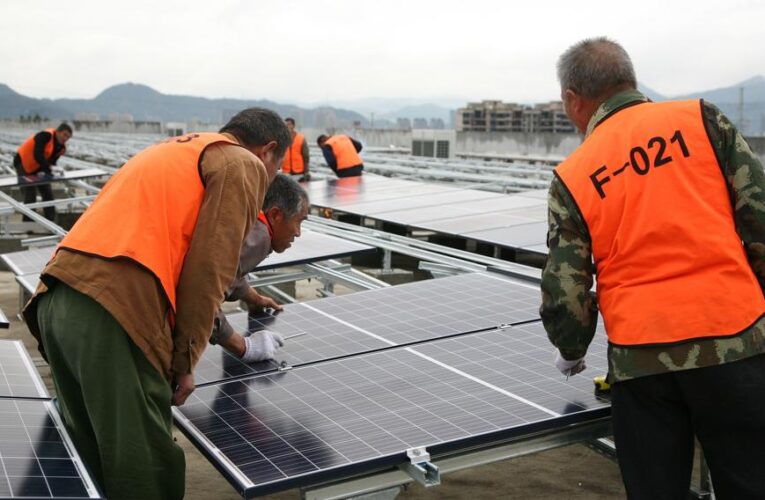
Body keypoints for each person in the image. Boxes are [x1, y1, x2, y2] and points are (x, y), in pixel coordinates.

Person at [22, 108, 291, 500]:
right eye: (276, 167)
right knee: (143, 469)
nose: (269, 181)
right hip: (115, 311)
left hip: (57, 297)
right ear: (267, 151)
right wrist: (185, 361)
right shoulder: (243, 163)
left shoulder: (177, 150)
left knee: (90, 461)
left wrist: (247, 295)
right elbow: (208, 270)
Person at [541, 37, 765, 499]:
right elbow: (759, 216)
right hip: (735, 339)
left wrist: (571, 349)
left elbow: (566, 286)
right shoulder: (701, 120)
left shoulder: (575, 173)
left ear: (572, 100)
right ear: (630, 81)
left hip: (642, 360)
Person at [211, 173, 310, 361]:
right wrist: (243, 346)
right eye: (298, 221)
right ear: (275, 215)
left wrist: (253, 297)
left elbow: (227, 272)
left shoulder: (247, 220)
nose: (298, 233)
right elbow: (200, 296)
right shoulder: (259, 238)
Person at [14, 122, 73, 221]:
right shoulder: (45, 135)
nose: (65, 138)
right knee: (30, 192)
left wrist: (54, 170)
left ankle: (50, 220)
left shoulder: (61, 148)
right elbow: (38, 154)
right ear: (58, 132)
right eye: (64, 134)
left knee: (47, 192)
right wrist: (49, 169)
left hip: (38, 167)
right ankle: (29, 223)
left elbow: (52, 161)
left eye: (68, 137)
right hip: (23, 162)